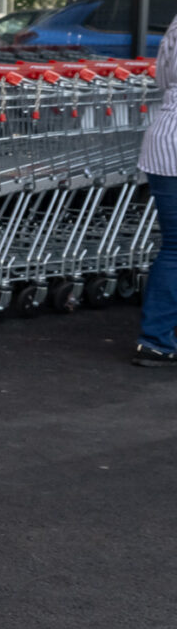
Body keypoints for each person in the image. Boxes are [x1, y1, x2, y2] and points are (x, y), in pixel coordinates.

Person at [135, 20, 177, 368]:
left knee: (174, 247)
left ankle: (156, 339)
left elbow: (162, 78)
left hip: (165, 138)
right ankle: (157, 338)